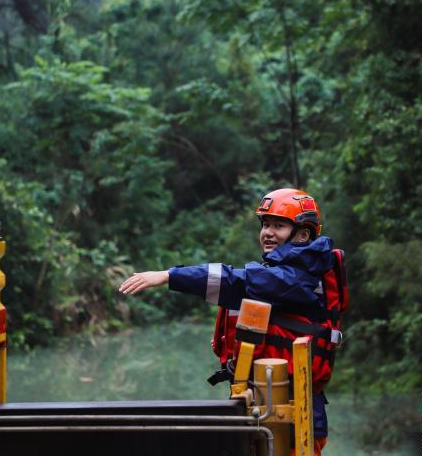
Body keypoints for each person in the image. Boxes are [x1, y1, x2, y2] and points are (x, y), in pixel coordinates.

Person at [119, 188, 344, 455]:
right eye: (266, 224)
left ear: (303, 234)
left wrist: (169, 276)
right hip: (264, 404)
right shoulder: (285, 272)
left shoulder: (300, 277)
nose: (268, 233)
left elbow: (234, 282)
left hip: (297, 414)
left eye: (279, 226)